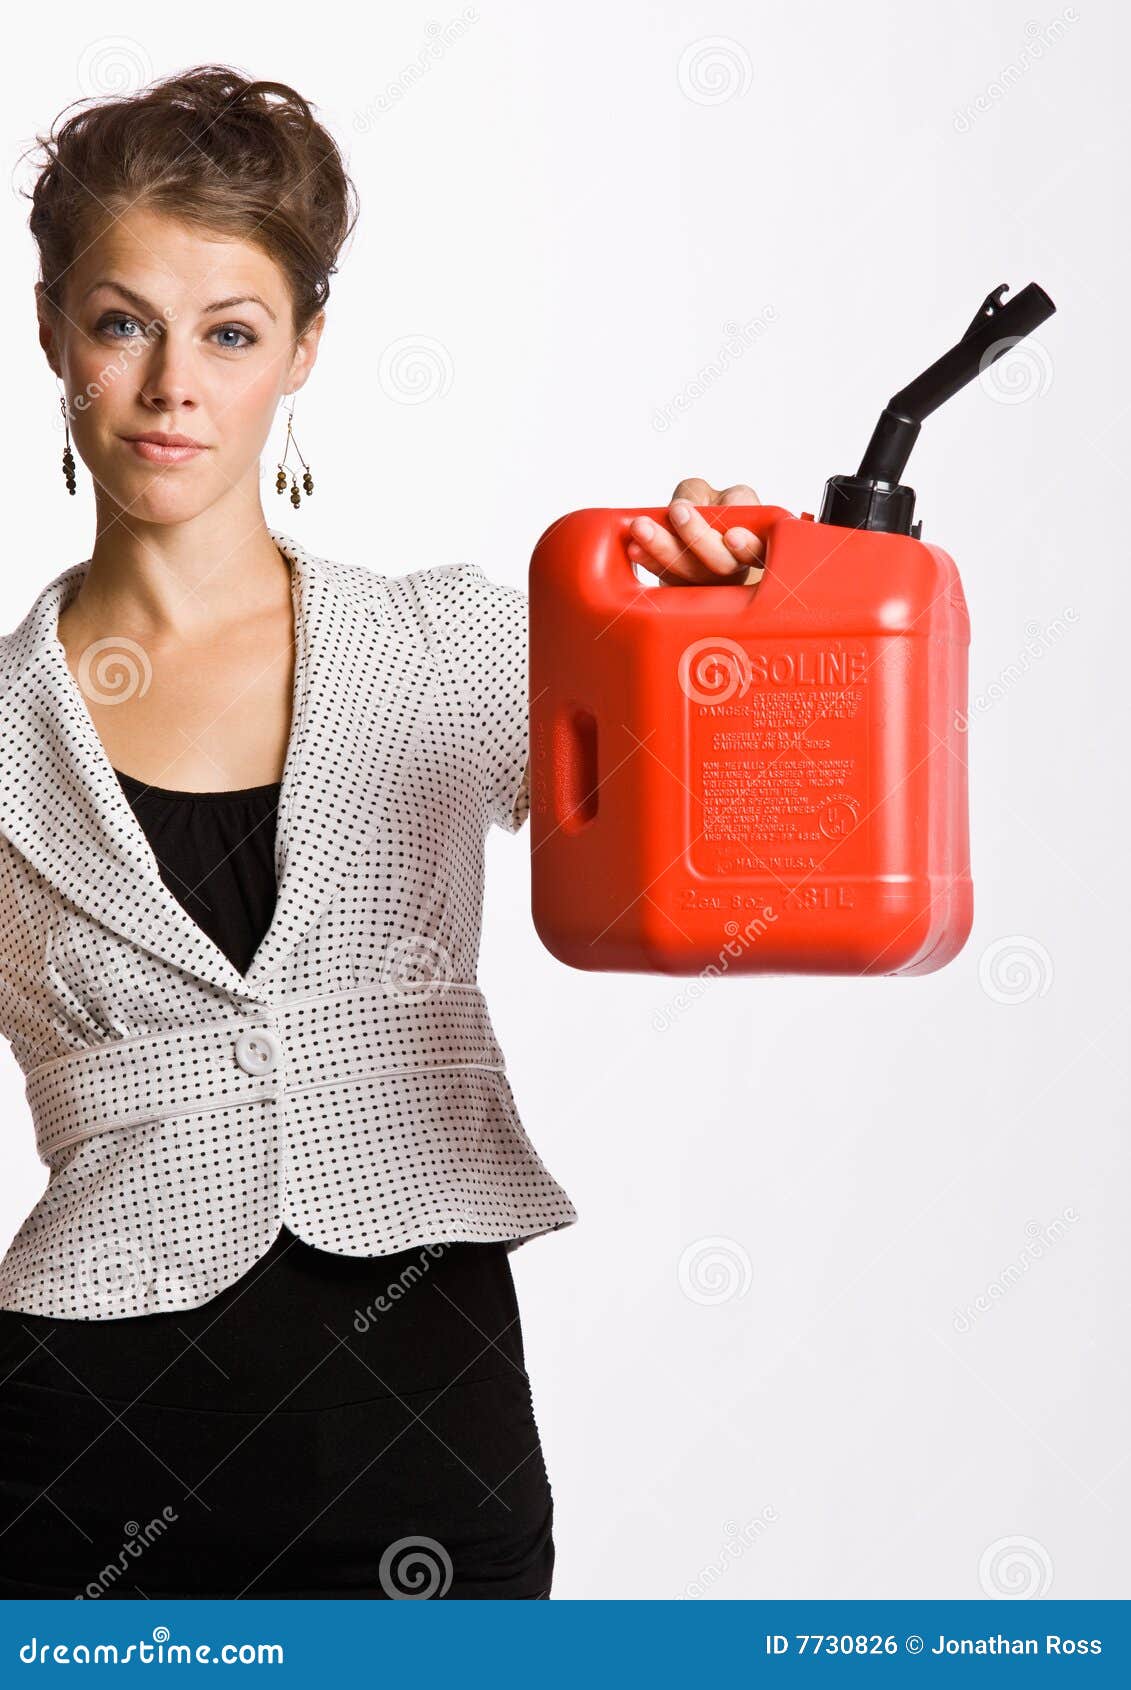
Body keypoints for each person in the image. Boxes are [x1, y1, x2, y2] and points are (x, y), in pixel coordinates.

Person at [0, 64, 764, 1601]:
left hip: (430, 1461)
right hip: (79, 1470)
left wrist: (726, 637)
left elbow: (739, 842)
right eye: (121, 320)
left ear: (304, 351)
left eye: (231, 332)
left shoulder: (449, 648)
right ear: (53, 332)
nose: (172, 388)